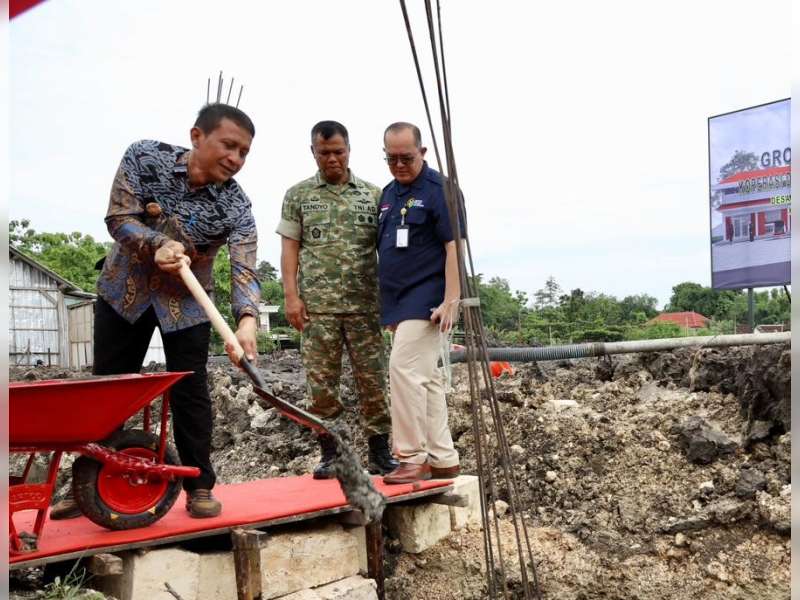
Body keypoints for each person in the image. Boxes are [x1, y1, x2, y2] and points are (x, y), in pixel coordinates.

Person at [50, 103, 261, 519]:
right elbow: (118, 217)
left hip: (188, 303)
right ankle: (87, 483)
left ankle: (199, 485)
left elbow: (244, 267)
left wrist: (247, 321)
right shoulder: (145, 157)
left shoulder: (236, 205)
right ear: (197, 136)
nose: (235, 159)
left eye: (244, 152)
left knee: (191, 393)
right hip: (124, 293)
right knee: (108, 390)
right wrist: (156, 244)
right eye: (229, 145)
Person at [276, 120, 398, 479]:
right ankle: (332, 454)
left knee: (373, 381)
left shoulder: (374, 195)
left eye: (338, 152)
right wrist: (291, 297)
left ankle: (380, 453)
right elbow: (289, 250)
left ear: (349, 150)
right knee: (322, 386)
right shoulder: (298, 195)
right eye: (324, 152)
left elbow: (388, 251)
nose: (332, 159)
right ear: (313, 152)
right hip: (317, 309)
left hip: (365, 307)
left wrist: (393, 302)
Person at [377, 122, 461, 484]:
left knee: (403, 369)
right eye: (391, 158)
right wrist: (389, 308)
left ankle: (412, 456)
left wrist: (452, 299)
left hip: (428, 295)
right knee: (425, 377)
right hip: (400, 300)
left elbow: (455, 245)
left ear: (422, 152)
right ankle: (443, 457)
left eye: (406, 158)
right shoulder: (388, 194)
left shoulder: (441, 190)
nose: (399, 165)